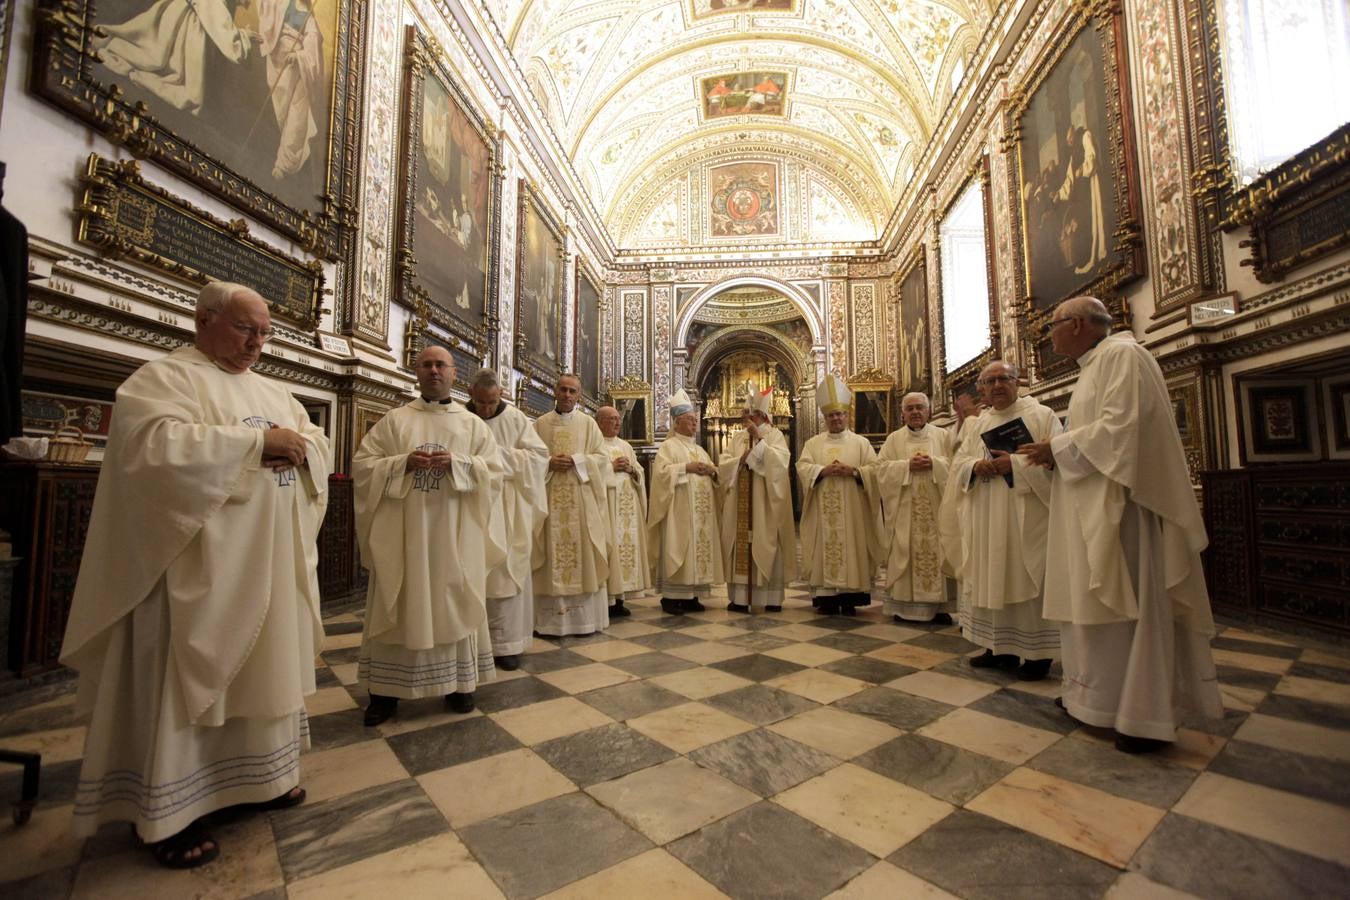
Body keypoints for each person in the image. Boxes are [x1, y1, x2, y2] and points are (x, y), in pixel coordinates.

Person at [59, 282, 331, 868]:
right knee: (184, 680)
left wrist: (303, 447)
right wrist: (257, 444)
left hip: (267, 564)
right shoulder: (164, 379)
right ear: (204, 320)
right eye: (244, 329)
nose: (257, 342)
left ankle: (260, 779)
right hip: (193, 570)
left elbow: (315, 441)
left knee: (266, 667)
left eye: (264, 332)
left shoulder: (275, 390)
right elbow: (151, 449)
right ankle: (167, 814)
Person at [1019, 296, 1222, 752]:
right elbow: (1100, 436)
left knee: (1125, 609)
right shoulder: (1095, 365)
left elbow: (1122, 430)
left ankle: (1141, 716)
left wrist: (1059, 448)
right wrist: (1060, 456)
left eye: (1051, 326)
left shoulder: (1123, 356)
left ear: (1077, 324)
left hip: (1122, 515)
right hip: (1092, 507)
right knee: (1092, 610)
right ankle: (1092, 700)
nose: (1047, 336)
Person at [353, 348, 505, 726]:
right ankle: (385, 693)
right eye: (427, 365)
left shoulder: (471, 426)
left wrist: (460, 463)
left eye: (441, 365)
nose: (434, 371)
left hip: (453, 534)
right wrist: (401, 462)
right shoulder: (394, 421)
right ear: (416, 372)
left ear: (455, 375)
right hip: (404, 534)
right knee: (398, 597)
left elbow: (495, 473)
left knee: (452, 596)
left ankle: (458, 685)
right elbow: (363, 466)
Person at [942, 361, 1061, 680]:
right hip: (986, 512)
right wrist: (975, 467)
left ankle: (1038, 654)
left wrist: (1016, 465)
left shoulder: (1041, 415)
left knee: (1027, 575)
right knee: (991, 573)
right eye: (989, 381)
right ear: (980, 388)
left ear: (1017, 381)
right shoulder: (978, 423)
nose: (997, 386)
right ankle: (999, 647)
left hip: (1027, 516)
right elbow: (960, 463)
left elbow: (1059, 462)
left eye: (1003, 379)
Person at [466, 368, 547, 669]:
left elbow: (539, 458)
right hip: (472, 508)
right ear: (472, 394)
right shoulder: (464, 419)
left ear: (500, 394)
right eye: (481, 403)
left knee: (506, 574)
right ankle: (472, 643)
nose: (486, 409)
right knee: (474, 574)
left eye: (491, 402)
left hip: (508, 508)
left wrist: (494, 457)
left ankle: (507, 645)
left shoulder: (515, 420)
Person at [797, 374, 882, 615]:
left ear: (847, 415)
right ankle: (827, 599)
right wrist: (822, 470)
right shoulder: (813, 444)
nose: (836, 418)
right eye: (831, 415)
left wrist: (854, 472)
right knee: (826, 547)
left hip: (853, 512)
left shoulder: (861, 443)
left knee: (852, 547)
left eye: (840, 414)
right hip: (823, 513)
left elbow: (875, 470)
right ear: (824, 418)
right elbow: (802, 467)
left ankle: (850, 597)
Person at [533, 373, 610, 635]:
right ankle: (549, 622)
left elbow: (601, 458)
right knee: (550, 554)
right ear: (554, 390)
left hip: (580, 501)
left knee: (582, 554)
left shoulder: (589, 424)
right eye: (563, 389)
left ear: (578, 395)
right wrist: (548, 464)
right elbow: (530, 460)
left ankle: (584, 620)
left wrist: (577, 461)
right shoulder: (540, 425)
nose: (567, 395)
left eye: (572, 391)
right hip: (549, 501)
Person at [869, 392, 956, 624]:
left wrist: (935, 464)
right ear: (903, 414)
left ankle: (940, 608)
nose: (915, 412)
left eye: (920, 407)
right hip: (905, 511)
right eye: (910, 408)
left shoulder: (943, 435)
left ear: (928, 411)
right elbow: (881, 469)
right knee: (904, 550)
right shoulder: (894, 439)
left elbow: (957, 465)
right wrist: (907, 465)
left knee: (939, 552)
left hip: (937, 510)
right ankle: (904, 606)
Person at [718, 385, 796, 613]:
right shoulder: (738, 437)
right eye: (745, 415)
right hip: (740, 504)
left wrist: (759, 442)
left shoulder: (775, 435)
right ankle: (740, 599)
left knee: (767, 540)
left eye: (749, 415)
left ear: (762, 416)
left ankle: (770, 598)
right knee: (740, 544)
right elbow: (725, 463)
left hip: (766, 503)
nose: (745, 419)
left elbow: (781, 465)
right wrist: (739, 461)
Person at [648, 390, 723, 614]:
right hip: (678, 512)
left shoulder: (700, 449)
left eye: (694, 421)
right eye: (690, 421)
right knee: (678, 547)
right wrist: (686, 468)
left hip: (701, 515)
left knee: (698, 550)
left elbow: (717, 474)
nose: (694, 425)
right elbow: (660, 475)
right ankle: (672, 597)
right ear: (678, 422)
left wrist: (712, 470)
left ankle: (692, 596)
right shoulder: (668, 447)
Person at [597, 405, 651, 618]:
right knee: (609, 548)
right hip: (608, 506)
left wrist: (631, 469)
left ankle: (619, 599)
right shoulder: (595, 444)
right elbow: (591, 470)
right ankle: (607, 599)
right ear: (599, 422)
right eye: (612, 419)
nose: (617, 423)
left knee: (624, 550)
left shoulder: (626, 446)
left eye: (618, 419)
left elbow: (639, 470)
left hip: (627, 509)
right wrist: (611, 466)